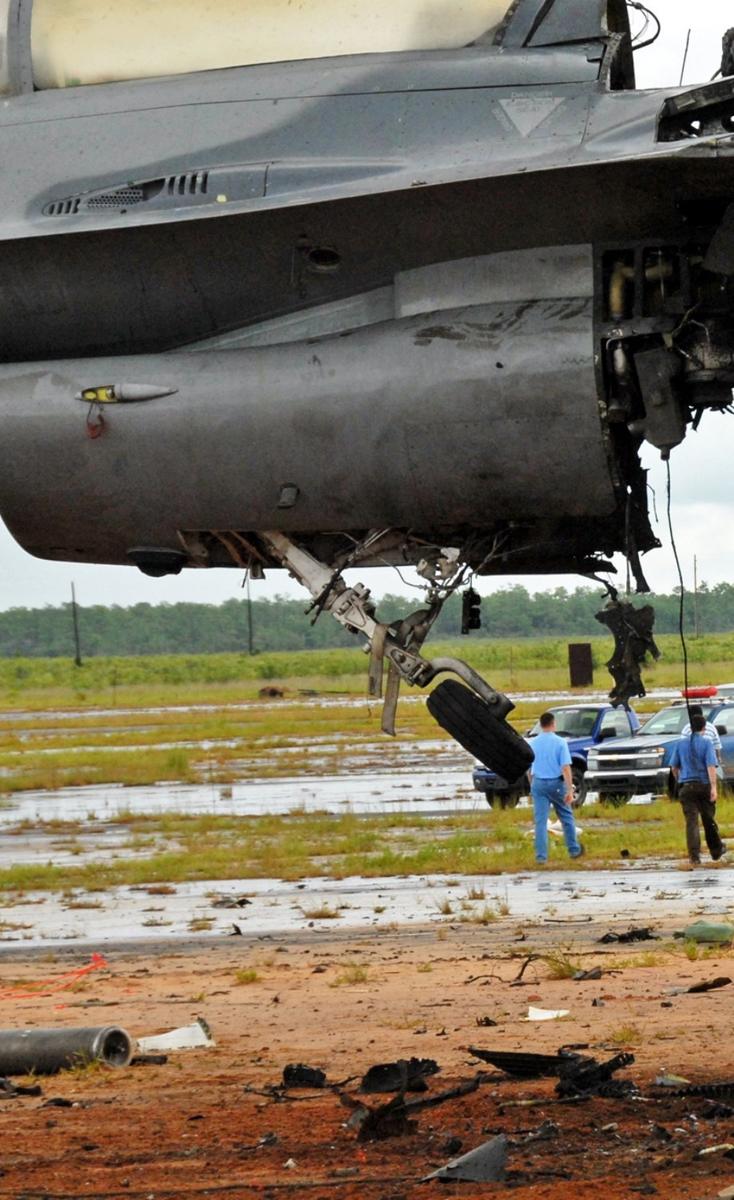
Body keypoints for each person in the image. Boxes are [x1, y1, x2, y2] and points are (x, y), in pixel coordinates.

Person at [670, 714, 726, 866]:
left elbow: (674, 767)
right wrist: (713, 787)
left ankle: (694, 856)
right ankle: (716, 850)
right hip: (704, 785)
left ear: (690, 727)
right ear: (704, 728)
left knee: (691, 822)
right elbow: (711, 766)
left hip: (687, 787)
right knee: (708, 820)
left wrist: (679, 780)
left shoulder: (680, 744)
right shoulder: (707, 743)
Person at [529, 712, 584, 865]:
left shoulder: (533, 743)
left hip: (538, 783)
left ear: (541, 725)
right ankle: (574, 850)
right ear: (553, 724)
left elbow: (529, 768)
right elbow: (565, 767)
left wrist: (532, 786)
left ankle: (541, 857)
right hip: (556, 783)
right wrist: (570, 789)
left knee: (540, 822)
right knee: (566, 817)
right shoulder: (560, 742)